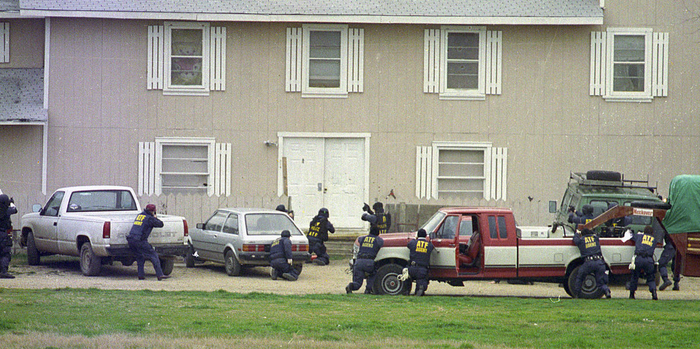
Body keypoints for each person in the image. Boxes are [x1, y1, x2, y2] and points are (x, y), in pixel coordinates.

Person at [126, 204, 169, 281]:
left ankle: (141, 275)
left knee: (140, 257)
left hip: (131, 239)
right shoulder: (150, 218)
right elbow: (160, 224)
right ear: (153, 211)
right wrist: (155, 217)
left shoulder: (140, 215)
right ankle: (160, 274)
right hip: (140, 240)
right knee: (154, 255)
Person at [572, 228, 611, 298]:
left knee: (580, 277)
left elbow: (575, 240)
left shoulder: (581, 240)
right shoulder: (595, 238)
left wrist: (577, 233)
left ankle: (577, 294)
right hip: (599, 263)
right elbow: (595, 235)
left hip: (589, 263)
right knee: (601, 282)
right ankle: (607, 291)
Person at [346, 226, 384, 294]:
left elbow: (358, 241)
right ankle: (368, 290)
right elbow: (381, 244)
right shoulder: (378, 240)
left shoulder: (362, 238)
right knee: (373, 273)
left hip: (359, 262)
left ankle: (351, 286)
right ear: (378, 233)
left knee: (357, 283)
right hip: (369, 262)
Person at [629, 226, 659, 300]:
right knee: (651, 277)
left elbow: (631, 236)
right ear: (652, 233)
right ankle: (654, 293)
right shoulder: (654, 239)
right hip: (649, 260)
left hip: (639, 258)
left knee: (635, 276)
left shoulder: (639, 236)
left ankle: (632, 294)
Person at [407, 228, 434, 296]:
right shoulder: (429, 245)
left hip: (412, 268)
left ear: (417, 236)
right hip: (422, 269)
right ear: (425, 236)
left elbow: (408, 245)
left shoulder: (413, 243)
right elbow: (432, 247)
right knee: (422, 279)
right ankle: (421, 288)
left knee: (406, 274)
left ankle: (407, 290)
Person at [0, 194, 17, 279]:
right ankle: (3, 271)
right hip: (3, 234)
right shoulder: (7, 210)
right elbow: (15, 209)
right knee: (5, 253)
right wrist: (11, 203)